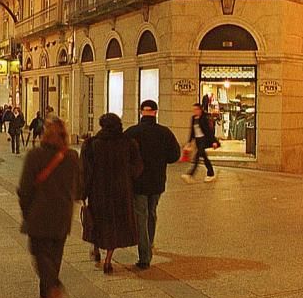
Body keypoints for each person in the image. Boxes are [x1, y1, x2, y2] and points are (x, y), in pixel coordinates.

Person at [18, 117, 80, 298]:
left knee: (39, 252)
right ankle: (46, 293)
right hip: (62, 214)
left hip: (39, 213)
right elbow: (79, 186)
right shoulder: (71, 156)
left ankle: (52, 286)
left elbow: (25, 189)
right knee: (55, 254)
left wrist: (26, 211)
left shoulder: (35, 155)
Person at [80, 113, 143, 274]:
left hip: (98, 191)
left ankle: (95, 248)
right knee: (116, 226)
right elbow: (137, 168)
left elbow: (86, 172)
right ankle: (108, 260)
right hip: (121, 191)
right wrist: (126, 175)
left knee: (99, 221)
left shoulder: (92, 144)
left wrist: (83, 192)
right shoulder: (129, 144)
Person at [125, 100, 181, 269]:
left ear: (141, 112)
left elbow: (123, 156)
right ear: (156, 112)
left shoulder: (132, 132)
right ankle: (149, 245)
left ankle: (144, 256)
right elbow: (174, 156)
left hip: (138, 182)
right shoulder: (164, 132)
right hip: (157, 181)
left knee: (140, 216)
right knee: (152, 213)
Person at [182, 103, 217, 183]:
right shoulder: (193, 118)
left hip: (203, 139)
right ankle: (211, 173)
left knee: (197, 156)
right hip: (197, 140)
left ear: (200, 110)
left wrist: (214, 141)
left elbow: (209, 131)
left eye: (196, 109)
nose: (194, 111)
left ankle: (190, 174)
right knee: (204, 157)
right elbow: (192, 131)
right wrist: (189, 142)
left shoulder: (204, 118)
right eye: (193, 110)